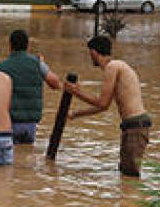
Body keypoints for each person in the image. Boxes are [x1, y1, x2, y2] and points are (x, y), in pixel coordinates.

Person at [63, 36, 151, 177]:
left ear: (93, 52)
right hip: (133, 127)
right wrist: (76, 114)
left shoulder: (112, 67)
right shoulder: (117, 66)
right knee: (126, 177)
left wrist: (76, 92)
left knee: (130, 176)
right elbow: (103, 106)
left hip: (136, 127)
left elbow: (102, 103)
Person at [0, 29, 61, 144]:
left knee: (12, 156)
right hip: (31, 123)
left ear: (10, 45)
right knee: (27, 154)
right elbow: (55, 84)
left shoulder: (1, 67)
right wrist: (43, 64)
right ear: (28, 45)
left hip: (9, 122)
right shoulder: (37, 64)